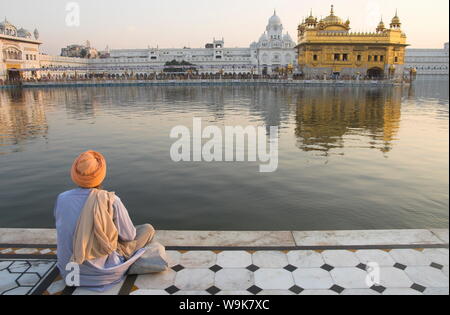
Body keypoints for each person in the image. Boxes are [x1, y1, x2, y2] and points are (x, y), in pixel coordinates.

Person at [54, 150, 155, 291]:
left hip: (69, 271)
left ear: (75, 175)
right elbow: (129, 236)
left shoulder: (62, 198)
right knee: (147, 229)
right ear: (101, 175)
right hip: (103, 274)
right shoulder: (111, 200)